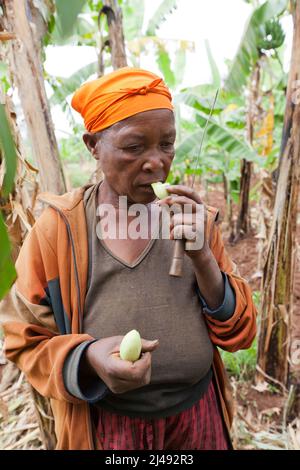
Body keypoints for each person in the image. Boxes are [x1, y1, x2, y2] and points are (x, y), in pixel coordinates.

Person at [0, 67, 256, 450]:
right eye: (134, 148)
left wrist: (203, 258)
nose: (156, 163)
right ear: (93, 145)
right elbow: (23, 339)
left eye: (166, 144)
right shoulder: (59, 232)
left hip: (197, 418)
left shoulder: (192, 220)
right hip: (106, 430)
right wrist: (87, 358)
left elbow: (241, 333)